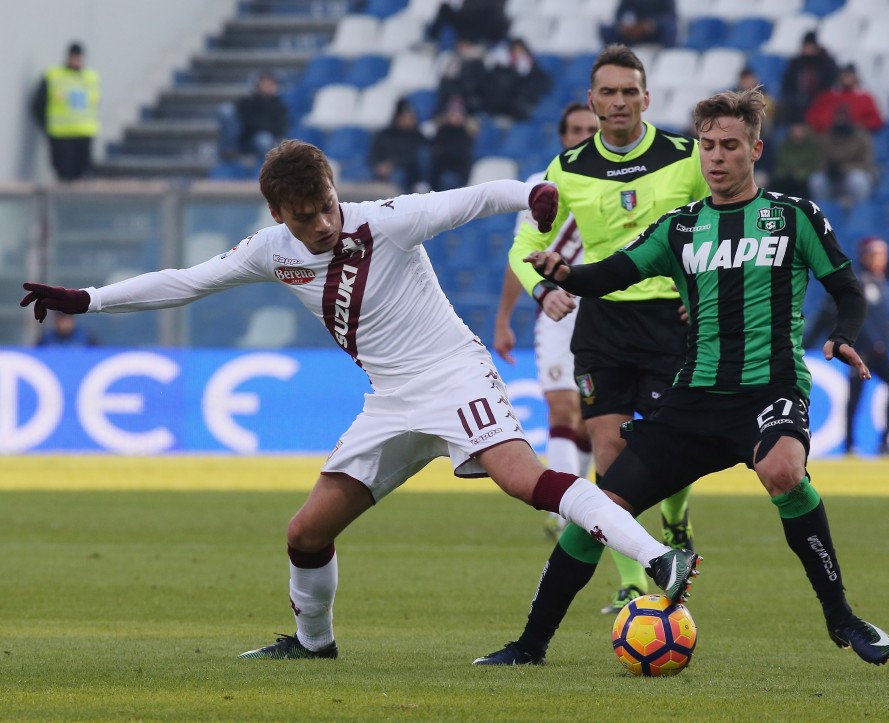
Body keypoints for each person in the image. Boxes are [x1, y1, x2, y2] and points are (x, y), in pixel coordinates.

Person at [20, 139, 694, 661]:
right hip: (391, 400)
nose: (321, 224)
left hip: (453, 375)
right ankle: (314, 642)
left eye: (326, 207)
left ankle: (658, 558)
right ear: (279, 215)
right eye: (304, 216)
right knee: (305, 533)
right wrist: (90, 298)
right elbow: (186, 281)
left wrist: (533, 192)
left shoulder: (387, 222)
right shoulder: (270, 251)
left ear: (335, 191)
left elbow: (471, 197)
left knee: (524, 479)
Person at [475, 87, 889, 668]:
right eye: (707, 146)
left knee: (781, 471)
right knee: (600, 509)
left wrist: (844, 334)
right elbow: (612, 274)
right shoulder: (680, 227)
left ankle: (841, 618)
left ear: (755, 149)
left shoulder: (793, 217)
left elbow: (846, 287)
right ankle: (530, 644)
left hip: (769, 389)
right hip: (692, 401)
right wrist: (564, 272)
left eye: (729, 146)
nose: (716, 157)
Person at [505, 44, 709, 616]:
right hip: (604, 321)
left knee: (672, 446)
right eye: (608, 93)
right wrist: (544, 289)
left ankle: (675, 518)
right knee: (610, 451)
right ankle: (632, 581)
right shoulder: (565, 171)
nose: (618, 102)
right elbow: (525, 245)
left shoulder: (686, 156)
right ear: (592, 100)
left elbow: (722, 221)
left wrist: (706, 293)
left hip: (672, 317)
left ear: (646, 98)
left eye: (629, 92)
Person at [493, 102, 599, 539]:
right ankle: (566, 512)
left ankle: (588, 503)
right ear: (562, 136)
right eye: (574, 129)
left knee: (593, 419)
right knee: (561, 406)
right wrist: (503, 319)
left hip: (605, 309)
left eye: (590, 129)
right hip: (554, 311)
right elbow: (520, 254)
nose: (582, 136)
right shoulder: (542, 187)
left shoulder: (617, 184)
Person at [809, 238, 889, 455]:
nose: (880, 260)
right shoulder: (859, 282)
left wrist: (883, 341)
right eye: (875, 255)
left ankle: (884, 442)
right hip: (860, 350)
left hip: (878, 350)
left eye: (882, 255)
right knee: (856, 398)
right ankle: (851, 445)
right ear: (865, 257)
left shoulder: (879, 281)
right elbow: (858, 317)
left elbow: (881, 319)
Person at [30, 41, 100, 182]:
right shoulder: (54, 75)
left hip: (83, 133)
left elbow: (95, 103)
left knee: (82, 175)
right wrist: (46, 126)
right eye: (73, 57)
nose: (76, 60)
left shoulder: (91, 77)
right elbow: (37, 104)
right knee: (63, 175)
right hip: (61, 135)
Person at [808, 105, 876, 207]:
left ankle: (858, 211)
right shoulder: (827, 136)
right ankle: (824, 212)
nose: (841, 119)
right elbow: (820, 160)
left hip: (851, 174)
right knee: (817, 181)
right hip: (832, 177)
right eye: (839, 116)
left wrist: (844, 169)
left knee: (859, 181)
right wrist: (828, 169)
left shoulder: (860, 136)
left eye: (844, 116)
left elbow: (866, 162)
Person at [481, 38, 552, 121]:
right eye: (516, 49)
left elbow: (544, 82)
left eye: (521, 50)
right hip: (497, 100)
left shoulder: (530, 67)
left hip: (516, 101)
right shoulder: (499, 64)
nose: (518, 52)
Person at [368, 97, 430, 193]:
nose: (411, 120)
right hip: (382, 168)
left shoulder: (419, 137)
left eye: (412, 117)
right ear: (398, 117)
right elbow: (374, 153)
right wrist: (379, 165)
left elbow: (416, 158)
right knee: (364, 171)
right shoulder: (384, 134)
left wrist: (393, 165)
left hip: (408, 173)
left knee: (399, 176)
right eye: (407, 117)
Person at [804, 63, 885, 135]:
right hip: (829, 139)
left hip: (855, 139)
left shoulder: (865, 98)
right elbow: (813, 117)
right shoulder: (827, 97)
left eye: (849, 75)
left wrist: (856, 127)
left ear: (855, 78)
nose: (846, 78)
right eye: (844, 75)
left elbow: (876, 121)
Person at [778, 31, 838, 125]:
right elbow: (786, 85)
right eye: (806, 46)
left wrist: (815, 100)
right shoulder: (795, 64)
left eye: (810, 46)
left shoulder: (825, 63)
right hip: (796, 104)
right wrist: (794, 98)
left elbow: (828, 85)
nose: (808, 49)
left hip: (818, 103)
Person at [233, 71, 290, 159]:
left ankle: (267, 166)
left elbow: (279, 127)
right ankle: (230, 152)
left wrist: (260, 126)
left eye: (270, 84)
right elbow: (245, 121)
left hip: (269, 138)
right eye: (264, 84)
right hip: (248, 137)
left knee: (264, 139)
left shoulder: (280, 106)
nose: (267, 87)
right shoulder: (248, 101)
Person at [429, 96, 478, 191]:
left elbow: (461, 157)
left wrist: (442, 152)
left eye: (458, 114)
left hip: (457, 174)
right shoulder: (441, 132)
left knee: (447, 179)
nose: (455, 117)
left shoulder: (467, 135)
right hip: (439, 172)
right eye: (452, 113)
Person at [770, 120, 820, 199]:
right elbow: (781, 163)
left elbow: (813, 164)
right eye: (795, 129)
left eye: (800, 130)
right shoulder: (784, 144)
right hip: (786, 176)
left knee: (814, 181)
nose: (797, 133)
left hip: (805, 178)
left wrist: (800, 172)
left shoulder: (812, 145)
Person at [600, 0, 678, 48]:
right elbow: (620, 14)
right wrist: (624, 26)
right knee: (607, 30)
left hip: (656, 31)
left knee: (670, 28)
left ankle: (668, 56)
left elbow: (670, 15)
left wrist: (651, 24)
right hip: (634, 31)